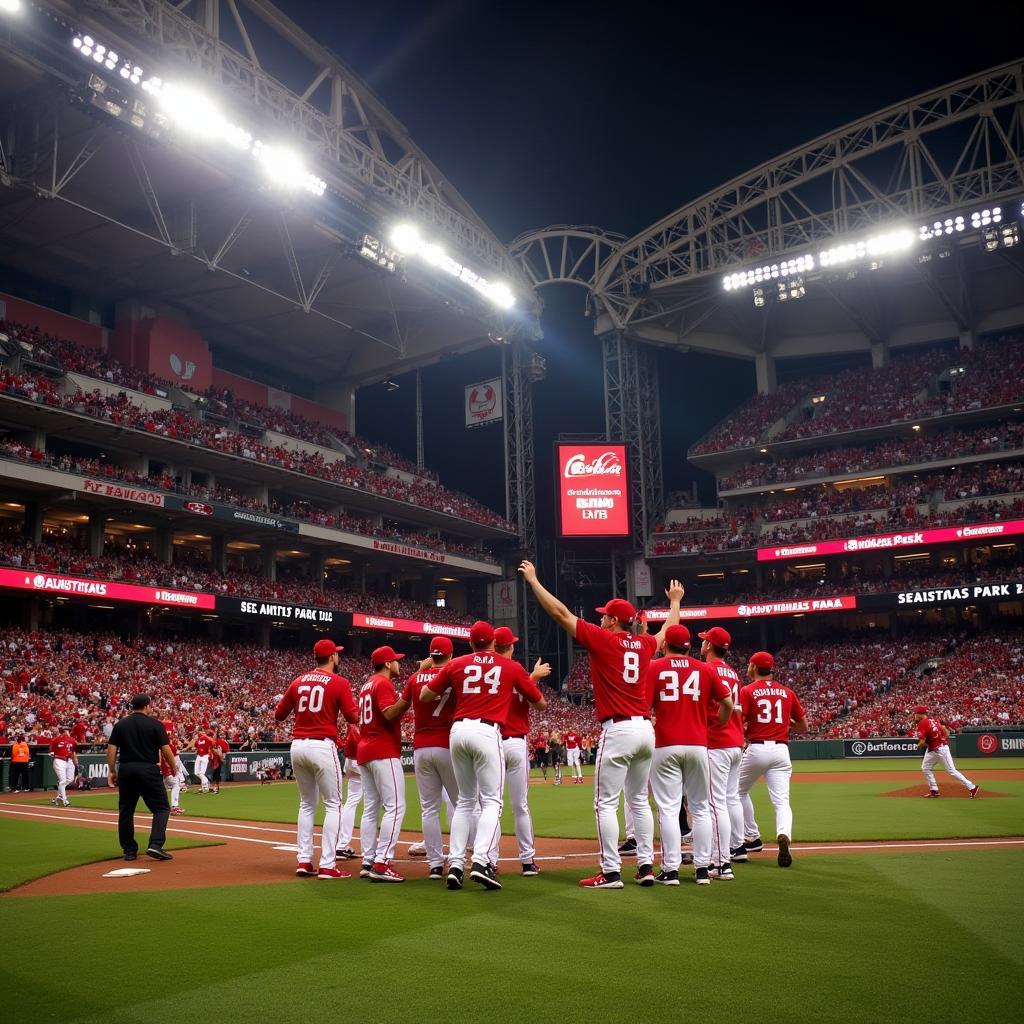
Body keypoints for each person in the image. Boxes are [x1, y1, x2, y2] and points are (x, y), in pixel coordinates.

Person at [519, 560, 684, 889]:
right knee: (638, 800)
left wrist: (534, 581)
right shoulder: (646, 644)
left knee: (606, 803)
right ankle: (646, 867)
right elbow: (667, 631)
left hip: (619, 728)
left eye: (605, 615)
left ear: (613, 620)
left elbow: (560, 614)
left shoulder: (603, 639)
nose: (600, 617)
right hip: (645, 730)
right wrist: (676, 602)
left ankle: (610, 871)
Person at [421, 620, 546, 892]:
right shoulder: (510, 667)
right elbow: (540, 702)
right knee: (492, 802)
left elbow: (426, 694)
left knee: (465, 802)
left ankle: (455, 865)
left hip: (457, 731)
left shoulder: (457, 664)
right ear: (494, 643)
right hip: (488, 731)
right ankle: (480, 861)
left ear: (470, 643)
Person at [647, 625, 732, 886]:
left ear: (664, 645)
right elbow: (727, 704)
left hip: (666, 744)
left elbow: (644, 706)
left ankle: (671, 870)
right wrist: (714, 724)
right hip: (698, 744)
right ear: (688, 646)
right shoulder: (705, 668)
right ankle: (703, 870)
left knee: (669, 809)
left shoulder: (654, 667)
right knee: (701, 808)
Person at [273, 638, 359, 879]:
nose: (338, 658)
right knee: (333, 804)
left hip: (297, 744)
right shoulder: (339, 682)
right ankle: (328, 864)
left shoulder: (298, 680)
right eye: (337, 654)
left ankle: (303, 860)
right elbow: (353, 717)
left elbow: (279, 715)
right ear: (332, 657)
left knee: (306, 804)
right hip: (322, 745)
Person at [487, 626, 551, 877]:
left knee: (491, 805)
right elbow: (540, 703)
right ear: (511, 647)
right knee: (520, 805)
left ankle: (489, 861)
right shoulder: (518, 673)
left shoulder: (488, 673)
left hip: (493, 742)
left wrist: (531, 677)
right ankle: (527, 862)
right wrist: (532, 677)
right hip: (516, 743)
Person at [737, 652, 807, 869]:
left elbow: (740, 722)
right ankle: (783, 833)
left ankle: (751, 836)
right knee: (782, 802)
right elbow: (803, 726)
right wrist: (787, 725)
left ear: (755, 668)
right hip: (781, 750)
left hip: (757, 747)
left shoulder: (747, 690)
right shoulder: (787, 692)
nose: (748, 668)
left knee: (736, 792)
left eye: (750, 664)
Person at [402, 636, 460, 880]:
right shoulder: (455, 675)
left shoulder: (415, 678)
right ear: (450, 654)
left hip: (421, 746)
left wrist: (420, 671)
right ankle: (460, 858)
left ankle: (435, 864)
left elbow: (403, 703)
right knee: (462, 804)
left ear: (430, 655)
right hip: (446, 743)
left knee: (429, 809)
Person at [357, 646, 410, 883]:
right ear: (388, 664)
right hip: (383, 749)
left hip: (365, 749)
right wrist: (407, 697)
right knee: (395, 806)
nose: (399, 663)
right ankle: (381, 863)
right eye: (396, 660)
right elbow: (389, 714)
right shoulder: (383, 683)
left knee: (370, 809)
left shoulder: (366, 685)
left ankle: (368, 860)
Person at [106, 694, 179, 862]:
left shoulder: (121, 724)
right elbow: (165, 749)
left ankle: (129, 851)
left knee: (126, 810)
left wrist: (112, 770)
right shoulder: (155, 724)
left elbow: (111, 749)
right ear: (147, 706)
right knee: (161, 808)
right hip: (148, 769)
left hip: (126, 768)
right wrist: (173, 766)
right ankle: (156, 844)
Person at [701, 626, 747, 869]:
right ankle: (736, 846)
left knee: (714, 803)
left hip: (717, 741)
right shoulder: (733, 673)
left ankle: (720, 862)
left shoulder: (708, 669)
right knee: (730, 799)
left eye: (704, 641)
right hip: (736, 741)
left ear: (709, 645)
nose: (702, 644)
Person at [912, 705, 979, 798]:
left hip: (940, 749)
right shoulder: (934, 720)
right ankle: (934, 790)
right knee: (925, 767)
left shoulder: (922, 723)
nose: (914, 715)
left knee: (951, 770)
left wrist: (918, 744)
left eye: (915, 713)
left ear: (920, 714)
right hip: (933, 749)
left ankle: (972, 787)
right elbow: (947, 734)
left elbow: (922, 743)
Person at [335, 723, 362, 860]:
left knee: (351, 802)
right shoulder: (365, 706)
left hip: (349, 759)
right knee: (375, 803)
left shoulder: (354, 709)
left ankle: (341, 845)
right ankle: (375, 852)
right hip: (362, 758)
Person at [49, 727, 79, 807]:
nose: (67, 732)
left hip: (69, 760)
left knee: (70, 779)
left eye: (68, 730)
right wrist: (54, 755)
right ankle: (65, 800)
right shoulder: (56, 740)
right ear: (63, 732)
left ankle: (58, 797)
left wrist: (75, 762)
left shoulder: (72, 740)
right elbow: (52, 751)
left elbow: (73, 752)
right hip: (59, 760)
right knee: (63, 780)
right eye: (66, 731)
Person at [160, 717, 184, 815]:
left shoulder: (157, 741)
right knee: (175, 784)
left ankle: (163, 807)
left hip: (158, 768)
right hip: (165, 768)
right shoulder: (168, 744)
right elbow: (175, 756)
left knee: (162, 788)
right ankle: (174, 807)